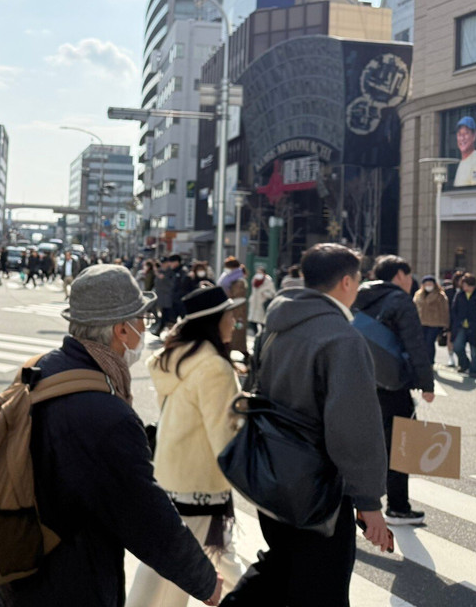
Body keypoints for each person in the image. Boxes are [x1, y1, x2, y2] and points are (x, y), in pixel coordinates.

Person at [0, 264, 222, 607]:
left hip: (17, 578)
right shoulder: (104, 413)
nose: (145, 328)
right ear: (122, 330)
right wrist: (205, 582)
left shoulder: (42, 369)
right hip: (70, 585)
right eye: (142, 320)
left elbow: (2, 466)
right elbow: (146, 517)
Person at [221, 243, 391, 607]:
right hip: (319, 488)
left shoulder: (277, 324)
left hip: (272, 473)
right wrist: (368, 499)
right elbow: (353, 426)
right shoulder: (342, 338)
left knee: (281, 570)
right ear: (346, 282)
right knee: (321, 588)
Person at [127, 286, 246, 607]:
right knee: (177, 573)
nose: (234, 321)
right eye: (229, 315)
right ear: (214, 321)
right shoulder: (215, 368)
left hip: (173, 477)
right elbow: (225, 438)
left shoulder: (175, 359)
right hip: (202, 485)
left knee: (170, 571)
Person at [354, 255, 435, 527]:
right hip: (393, 386)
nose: (411, 281)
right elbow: (415, 345)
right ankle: (398, 507)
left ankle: (357, 504)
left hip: (359, 381)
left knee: (363, 445)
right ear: (399, 274)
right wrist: (427, 384)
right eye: (409, 275)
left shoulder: (358, 295)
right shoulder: (400, 300)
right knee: (400, 445)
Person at [451, 272, 476, 378]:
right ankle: (464, 364)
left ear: (471, 285)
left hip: (475, 327)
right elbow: (454, 309)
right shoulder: (460, 295)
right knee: (457, 347)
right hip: (461, 326)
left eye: (465, 285)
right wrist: (456, 321)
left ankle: (474, 370)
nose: (464, 288)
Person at [414, 275, 450, 366]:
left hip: (435, 323)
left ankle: (430, 362)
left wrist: (445, 324)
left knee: (429, 342)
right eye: (426, 284)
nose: (428, 286)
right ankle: (424, 361)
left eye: (430, 284)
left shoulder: (440, 295)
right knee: (422, 343)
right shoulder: (418, 295)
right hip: (421, 322)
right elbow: (414, 308)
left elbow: (444, 310)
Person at [218, 258, 249, 360]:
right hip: (230, 309)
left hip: (237, 311)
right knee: (230, 335)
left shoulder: (239, 280)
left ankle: (244, 355)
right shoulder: (228, 278)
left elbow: (237, 296)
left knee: (235, 334)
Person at [153, 255, 187, 335]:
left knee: (182, 319)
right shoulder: (172, 271)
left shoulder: (182, 271)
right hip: (172, 300)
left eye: (171, 262)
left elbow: (178, 286)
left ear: (177, 262)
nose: (169, 264)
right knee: (169, 318)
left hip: (179, 300)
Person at [453, 115, 476, 187]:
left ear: (474, 135)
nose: (462, 138)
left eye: (466, 133)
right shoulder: (462, 162)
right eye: (459, 134)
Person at [246, 265, 276, 336]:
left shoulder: (268, 280)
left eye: (260, 272)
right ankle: (257, 334)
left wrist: (265, 294)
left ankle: (262, 336)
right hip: (254, 303)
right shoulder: (255, 279)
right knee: (252, 321)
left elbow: (272, 293)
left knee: (262, 322)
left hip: (262, 303)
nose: (258, 274)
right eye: (258, 272)